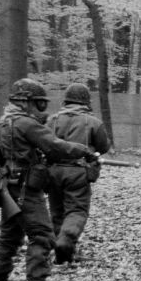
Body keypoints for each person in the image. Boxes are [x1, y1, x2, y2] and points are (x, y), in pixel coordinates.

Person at [0, 78, 100, 281]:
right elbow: (55, 145)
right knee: (43, 236)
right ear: (26, 102)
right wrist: (83, 150)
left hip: (9, 188)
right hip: (27, 190)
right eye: (39, 104)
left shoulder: (2, 124)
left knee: (9, 236)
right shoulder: (25, 124)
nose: (41, 109)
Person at [46, 83, 112, 265]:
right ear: (86, 101)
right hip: (77, 172)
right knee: (77, 210)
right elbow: (104, 147)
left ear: (66, 99)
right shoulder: (93, 122)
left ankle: (62, 254)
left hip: (52, 171)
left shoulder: (52, 120)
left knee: (57, 211)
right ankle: (65, 241)